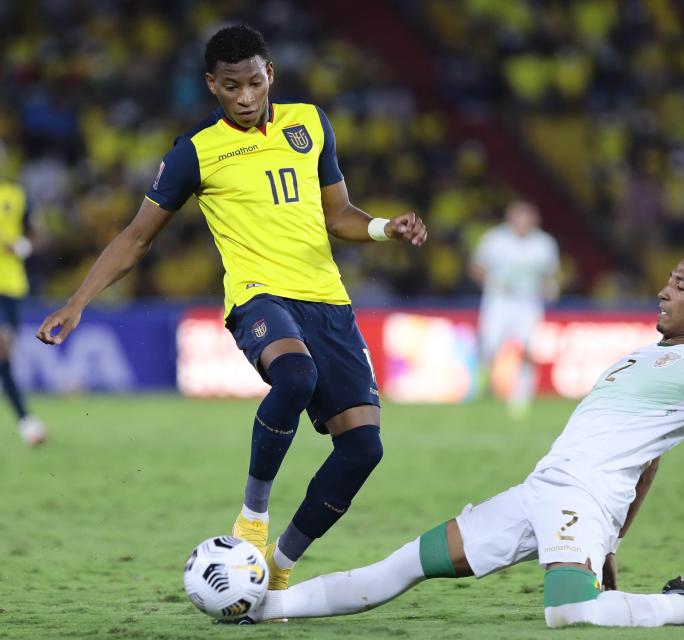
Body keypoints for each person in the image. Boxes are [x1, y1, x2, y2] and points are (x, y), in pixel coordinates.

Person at [239, 250, 684, 627]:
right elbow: (646, 456)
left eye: (682, 286)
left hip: (580, 498)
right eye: (669, 280)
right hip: (543, 492)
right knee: (400, 567)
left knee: (570, 613)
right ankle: (257, 607)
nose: (664, 290)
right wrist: (611, 540)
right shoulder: (637, 357)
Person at [35, 25, 427, 590]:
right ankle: (253, 518)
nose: (245, 97)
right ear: (211, 86)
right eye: (231, 86)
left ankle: (278, 566)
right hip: (258, 297)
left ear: (271, 75)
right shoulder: (195, 153)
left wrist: (388, 227)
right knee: (293, 375)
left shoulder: (310, 123)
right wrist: (77, 302)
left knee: (364, 448)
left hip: (328, 302)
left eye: (254, 82)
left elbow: (337, 214)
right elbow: (137, 238)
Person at [470, 200, 559, 417]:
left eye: (527, 218)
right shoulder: (495, 239)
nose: (523, 222)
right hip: (498, 301)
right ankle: (485, 388)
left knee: (528, 348)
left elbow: (549, 276)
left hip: (528, 303)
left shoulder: (544, 244)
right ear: (510, 219)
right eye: (518, 217)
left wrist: (550, 288)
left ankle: (521, 398)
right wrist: (493, 283)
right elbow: (476, 267)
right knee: (490, 347)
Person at [0, 173, 45, 445]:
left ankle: (25, 420)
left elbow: (39, 235)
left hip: (10, 287)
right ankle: (26, 421)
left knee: (4, 356)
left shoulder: (17, 196)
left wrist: (20, 246)